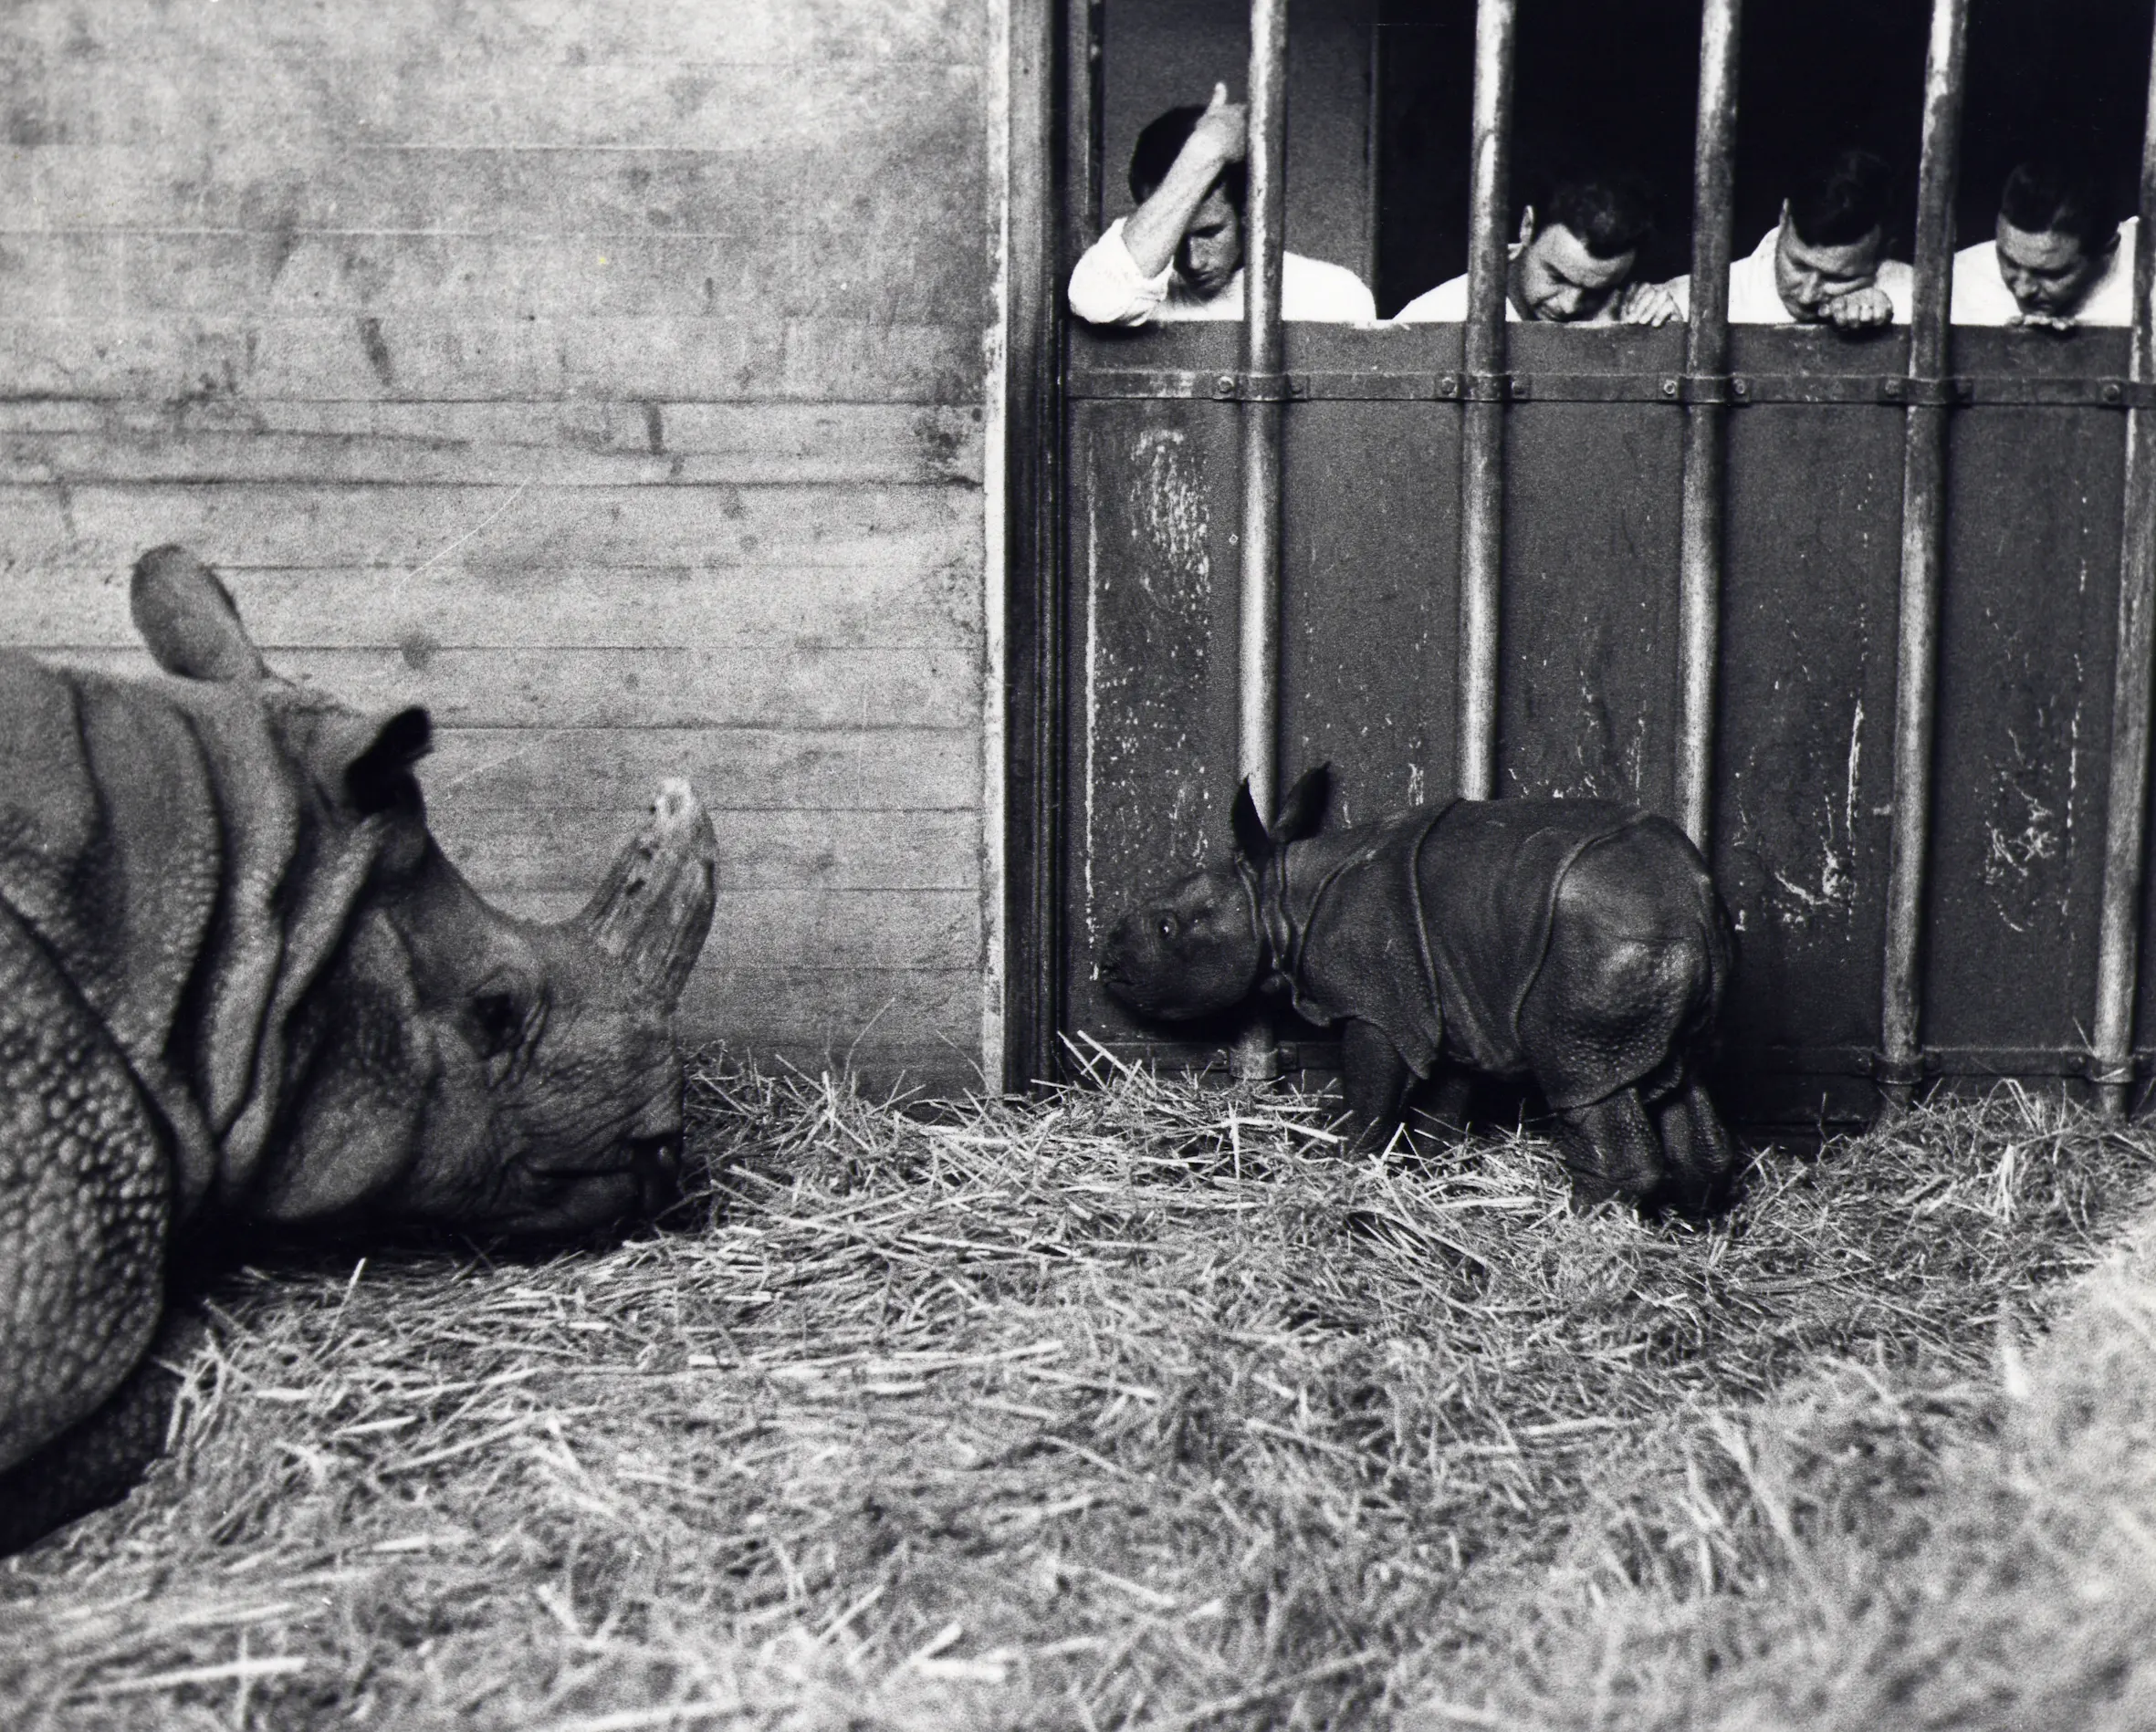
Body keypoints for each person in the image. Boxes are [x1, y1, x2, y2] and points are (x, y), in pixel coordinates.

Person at [1066, 85, 1376, 326]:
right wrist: (1206, 151)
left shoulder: (1331, 294)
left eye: (1209, 233)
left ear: (1248, 213)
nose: (1193, 262)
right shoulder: (1136, 292)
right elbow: (1095, 301)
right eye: (1175, 236)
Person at [1664, 149, 1912, 329]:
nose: (1807, 296)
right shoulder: (1687, 304)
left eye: (1837, 278)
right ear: (1784, 216)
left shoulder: (1921, 305)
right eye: (1798, 266)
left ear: (1883, 253)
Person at [1391, 176, 1679, 325]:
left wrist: (1663, 342)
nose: (1569, 306)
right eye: (1557, 277)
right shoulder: (1436, 318)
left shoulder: (1626, 313)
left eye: (1597, 291)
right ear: (1527, 226)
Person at [1952, 159, 2135, 329]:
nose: (2023, 291)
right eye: (2009, 262)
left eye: (2051, 274)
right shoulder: (1956, 282)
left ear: (2107, 251)